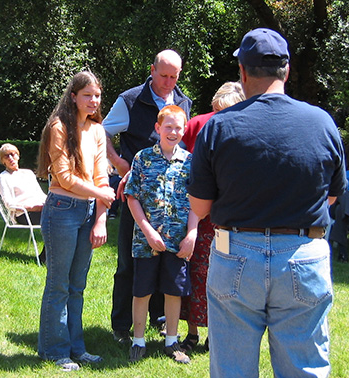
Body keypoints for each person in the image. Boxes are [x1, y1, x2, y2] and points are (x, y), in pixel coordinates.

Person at [187, 28, 347, 378]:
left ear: (242, 73)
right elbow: (332, 195)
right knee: (305, 369)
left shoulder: (218, 127)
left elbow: (199, 207)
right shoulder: (322, 123)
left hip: (235, 252)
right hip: (305, 251)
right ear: (285, 72)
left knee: (231, 370)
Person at [103, 49, 192, 344]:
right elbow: (100, 133)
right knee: (131, 261)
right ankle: (121, 325)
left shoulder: (183, 103)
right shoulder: (130, 100)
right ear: (152, 70)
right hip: (137, 195)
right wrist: (119, 163)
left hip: (172, 202)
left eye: (174, 77)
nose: (168, 82)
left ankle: (160, 320)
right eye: (164, 75)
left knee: (167, 259)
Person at [36, 71, 116, 371]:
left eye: (97, 96)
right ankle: (54, 351)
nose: (93, 101)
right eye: (87, 95)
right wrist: (101, 194)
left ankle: (76, 348)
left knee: (77, 286)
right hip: (62, 209)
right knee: (58, 285)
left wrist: (100, 220)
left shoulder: (97, 130)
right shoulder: (59, 127)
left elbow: (100, 177)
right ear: (73, 97)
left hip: (86, 212)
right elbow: (66, 178)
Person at [124, 105, 197, 364]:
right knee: (142, 290)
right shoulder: (143, 158)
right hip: (146, 242)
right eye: (168, 127)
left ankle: (172, 341)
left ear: (185, 129)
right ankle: (138, 341)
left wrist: (192, 233)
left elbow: (196, 202)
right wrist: (147, 231)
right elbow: (132, 197)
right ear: (158, 128)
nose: (173, 132)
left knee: (173, 290)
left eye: (179, 127)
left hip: (178, 243)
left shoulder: (190, 162)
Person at [179, 81, 245, 354]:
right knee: (197, 272)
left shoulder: (244, 141)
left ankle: (217, 335)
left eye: (226, 112)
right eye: (217, 111)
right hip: (201, 218)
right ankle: (192, 332)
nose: (220, 118)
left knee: (225, 273)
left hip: (229, 224)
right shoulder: (205, 134)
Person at [0, 143, 47, 226]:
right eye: (6, 156)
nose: (10, 158)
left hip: (41, 209)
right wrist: (31, 208)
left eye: (13, 154)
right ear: (2, 161)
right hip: (24, 214)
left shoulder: (28, 173)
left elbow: (40, 194)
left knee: (67, 212)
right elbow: (9, 204)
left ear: (18, 156)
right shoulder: (4, 177)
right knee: (60, 218)